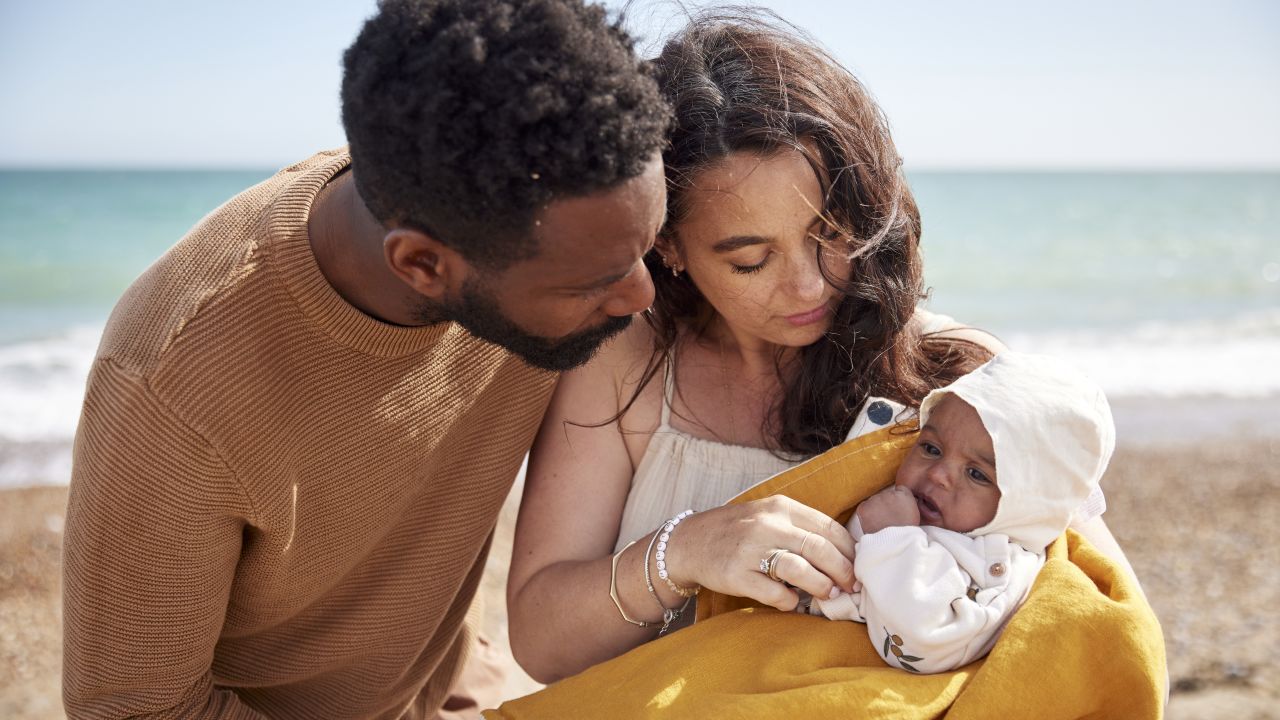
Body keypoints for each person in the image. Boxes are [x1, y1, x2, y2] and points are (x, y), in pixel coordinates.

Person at [60, 1, 670, 718]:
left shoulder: (561, 219)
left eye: (649, 243)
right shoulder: (175, 385)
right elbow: (134, 710)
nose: (642, 294)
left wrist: (468, 686)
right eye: (595, 283)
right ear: (421, 265)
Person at [506, 12, 1141, 685]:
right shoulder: (623, 364)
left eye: (832, 232)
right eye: (751, 260)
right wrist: (686, 550)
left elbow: (1104, 626)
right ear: (668, 245)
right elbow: (543, 644)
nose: (809, 285)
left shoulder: (958, 375)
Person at [804, 352, 1114, 674]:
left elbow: (923, 644)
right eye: (931, 448)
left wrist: (892, 540)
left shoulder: (997, 568)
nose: (938, 474)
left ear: (1026, 505)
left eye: (977, 474)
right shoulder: (899, 498)